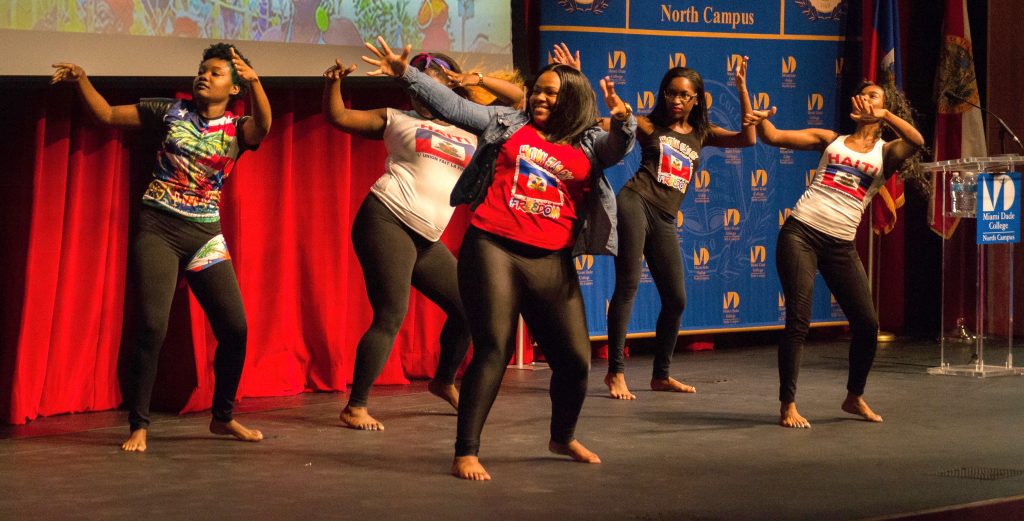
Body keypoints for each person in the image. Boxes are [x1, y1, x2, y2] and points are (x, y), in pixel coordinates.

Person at [362, 37, 636, 480]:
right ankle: (466, 450)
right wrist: (405, 73)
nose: (541, 97)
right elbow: (454, 108)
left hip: (551, 258)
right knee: (494, 347)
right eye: (538, 89)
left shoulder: (587, 142)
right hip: (493, 246)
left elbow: (617, 148)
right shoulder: (508, 121)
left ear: (572, 99)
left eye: (552, 91)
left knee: (575, 360)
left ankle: (562, 436)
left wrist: (624, 121)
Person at [51, 43, 272, 451]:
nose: (204, 76)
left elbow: (265, 126)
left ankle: (222, 417)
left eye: (216, 73)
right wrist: (82, 80)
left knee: (235, 328)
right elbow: (106, 115)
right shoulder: (169, 111)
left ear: (235, 88)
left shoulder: (239, 128)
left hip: (205, 234)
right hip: (159, 227)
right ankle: (139, 424)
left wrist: (257, 84)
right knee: (153, 325)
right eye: (202, 70)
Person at [322, 52, 523, 431]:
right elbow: (339, 117)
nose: (422, 91)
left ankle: (443, 380)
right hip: (386, 220)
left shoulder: (475, 128)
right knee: (391, 313)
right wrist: (333, 83)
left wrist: (474, 81)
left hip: (427, 238)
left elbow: (519, 104)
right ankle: (356, 406)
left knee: (468, 309)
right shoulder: (396, 118)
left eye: (432, 80)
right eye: (417, 81)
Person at [550, 44, 756, 400]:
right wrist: (576, 81)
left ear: (696, 100)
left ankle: (661, 374)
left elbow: (748, 138)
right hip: (634, 203)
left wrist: (742, 90)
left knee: (676, 299)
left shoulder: (701, 133)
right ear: (664, 95)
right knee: (627, 286)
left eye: (685, 95)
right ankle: (615, 372)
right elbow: (602, 120)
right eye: (671, 93)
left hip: (664, 217)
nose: (677, 100)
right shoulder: (649, 124)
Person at [744, 81, 924, 428]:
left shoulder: (886, 153)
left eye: (875, 96)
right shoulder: (832, 139)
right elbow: (774, 136)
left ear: (885, 109)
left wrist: (885, 115)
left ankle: (854, 396)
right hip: (801, 234)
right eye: (865, 94)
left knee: (868, 325)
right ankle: (788, 405)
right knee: (799, 319)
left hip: (840, 244)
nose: (866, 98)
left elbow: (917, 141)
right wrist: (754, 109)